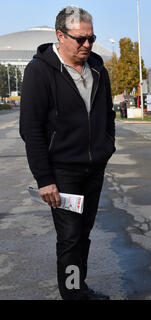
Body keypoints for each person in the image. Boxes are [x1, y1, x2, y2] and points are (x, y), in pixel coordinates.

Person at [19, 6, 115, 300]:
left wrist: (106, 147)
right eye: (80, 39)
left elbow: (107, 114)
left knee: (82, 235)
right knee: (70, 238)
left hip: (93, 170)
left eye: (91, 38)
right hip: (62, 174)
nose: (87, 44)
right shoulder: (39, 71)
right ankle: (73, 296)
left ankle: (79, 288)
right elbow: (31, 130)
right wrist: (44, 179)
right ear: (60, 36)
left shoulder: (98, 68)